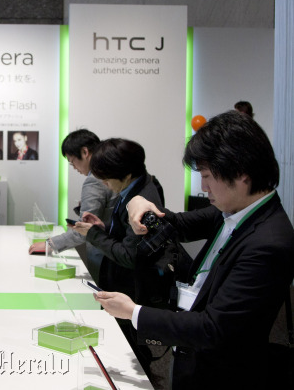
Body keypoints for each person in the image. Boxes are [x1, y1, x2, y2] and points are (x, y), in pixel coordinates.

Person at [94, 111, 294, 390]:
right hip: (193, 355)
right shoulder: (231, 211)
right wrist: (136, 202)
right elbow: (172, 223)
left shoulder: (268, 243)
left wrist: (134, 312)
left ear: (242, 173)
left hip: (223, 374)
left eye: (209, 176)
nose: (203, 187)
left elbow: (215, 329)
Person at [72, 138, 170, 387]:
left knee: (132, 346)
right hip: (126, 282)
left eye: (106, 177)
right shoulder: (134, 188)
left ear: (125, 173)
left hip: (133, 286)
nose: (103, 183)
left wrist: (93, 234)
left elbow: (129, 256)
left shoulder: (142, 199)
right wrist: (103, 227)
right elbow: (129, 238)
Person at [28, 129, 116, 284]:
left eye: (72, 161)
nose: (74, 167)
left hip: (105, 257)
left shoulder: (94, 179)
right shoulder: (107, 175)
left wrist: (50, 244)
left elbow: (84, 229)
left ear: (85, 152)